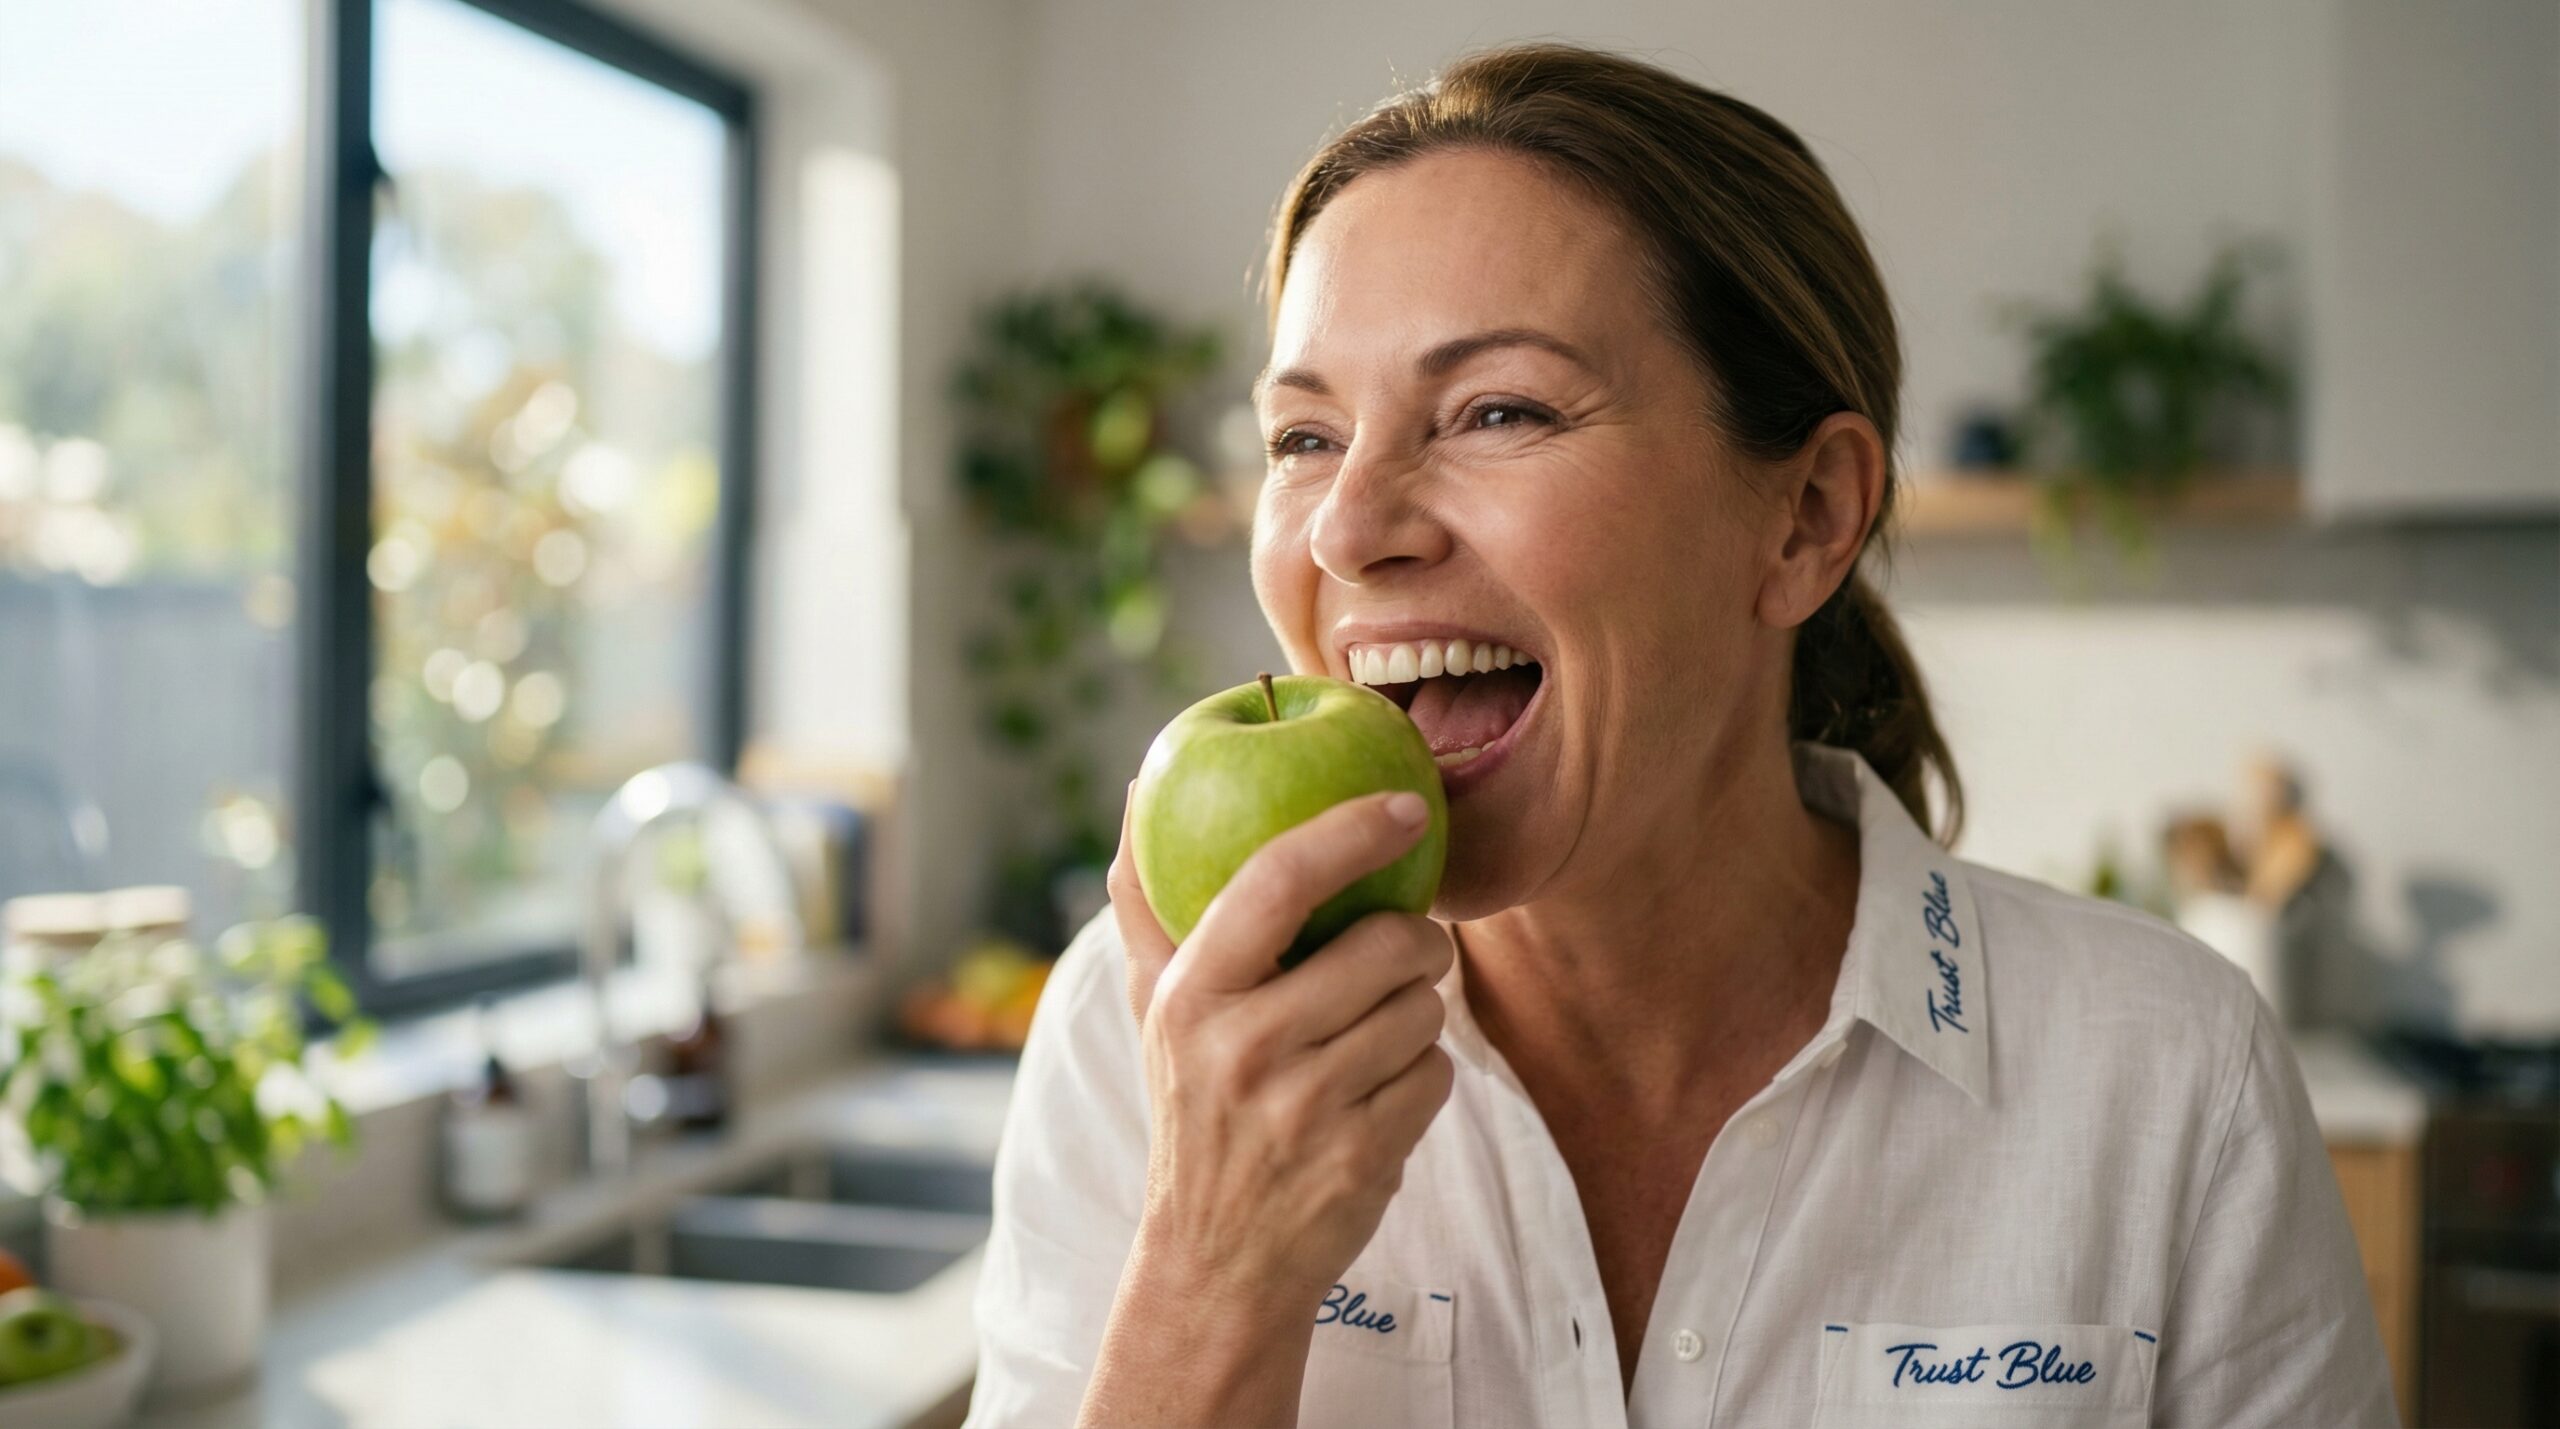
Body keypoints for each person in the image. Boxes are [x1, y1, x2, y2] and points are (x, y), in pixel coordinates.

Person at [964, 41, 2395, 1429]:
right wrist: (1215, 1272)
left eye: (1497, 409)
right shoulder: (1138, 1031)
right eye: (1303, 437)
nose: (1348, 527)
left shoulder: (2167, 1077)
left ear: (1806, 516)